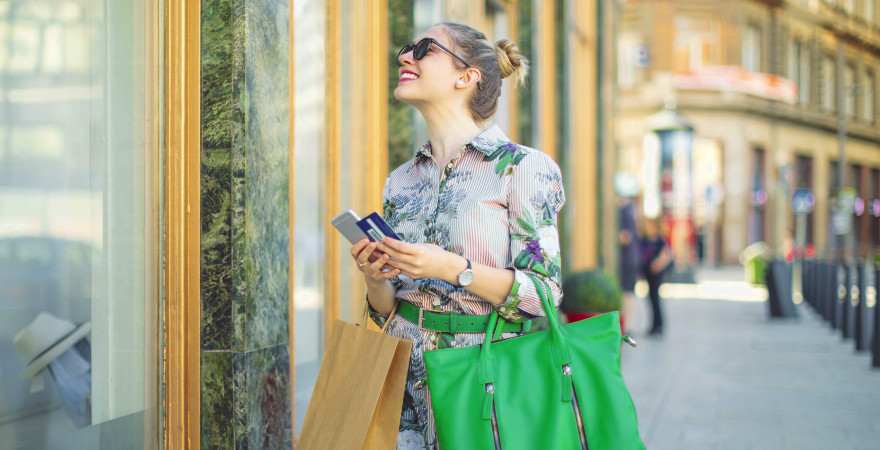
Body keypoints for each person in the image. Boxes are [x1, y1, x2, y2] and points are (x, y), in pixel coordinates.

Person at [348, 22, 565, 450]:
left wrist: (451, 268)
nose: (404, 57)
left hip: (483, 377)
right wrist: (375, 277)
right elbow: (387, 309)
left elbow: (543, 295)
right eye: (407, 48)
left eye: (424, 49)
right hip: (402, 382)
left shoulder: (522, 169)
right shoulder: (402, 180)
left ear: (466, 77)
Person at [639, 218, 671, 336]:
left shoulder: (659, 240)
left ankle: (659, 326)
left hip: (657, 273)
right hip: (648, 273)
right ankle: (653, 326)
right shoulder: (644, 239)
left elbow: (667, 254)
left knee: (656, 299)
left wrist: (658, 264)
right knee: (651, 300)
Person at [617, 196, 640, 334]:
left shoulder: (623, 212)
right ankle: (626, 325)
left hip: (626, 260)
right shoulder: (629, 211)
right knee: (629, 293)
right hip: (631, 259)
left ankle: (626, 326)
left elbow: (625, 237)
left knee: (627, 293)